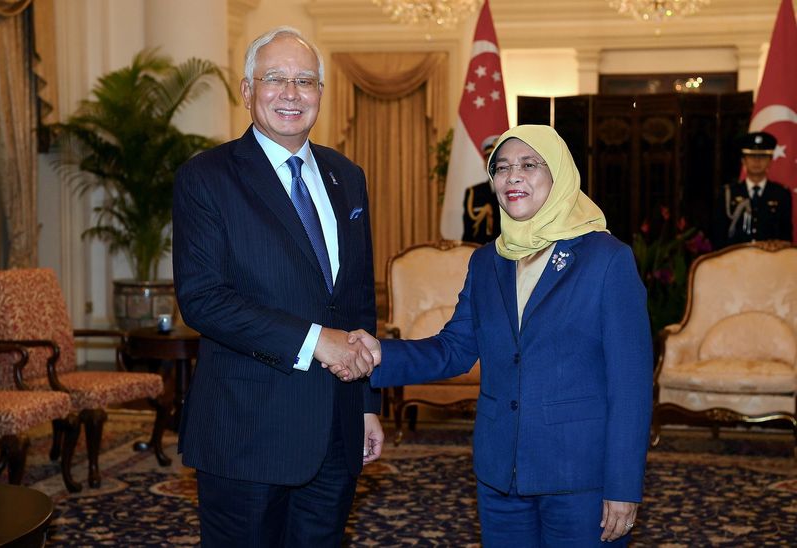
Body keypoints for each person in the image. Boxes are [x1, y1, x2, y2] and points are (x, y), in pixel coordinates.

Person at [336, 125, 653, 546]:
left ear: (559, 174)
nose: (512, 177)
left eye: (528, 165)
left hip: (581, 476)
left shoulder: (606, 259)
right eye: (501, 168)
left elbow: (630, 386)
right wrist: (378, 355)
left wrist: (623, 486)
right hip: (500, 474)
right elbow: (453, 349)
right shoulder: (487, 262)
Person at [172, 26, 383, 547]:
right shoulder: (207, 177)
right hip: (247, 434)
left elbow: (356, 298)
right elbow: (204, 299)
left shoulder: (347, 176)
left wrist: (367, 405)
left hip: (336, 428)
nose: (291, 93)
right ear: (247, 91)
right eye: (275, 79)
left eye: (305, 81)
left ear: (320, 95)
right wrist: (316, 341)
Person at [712, 131, 793, 248]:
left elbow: (786, 237)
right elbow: (718, 236)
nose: (757, 161)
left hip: (769, 261)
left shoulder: (781, 194)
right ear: (743, 161)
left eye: (762, 156)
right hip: (736, 262)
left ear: (770, 161)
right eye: (751, 156)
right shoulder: (728, 193)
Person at [462, 135, 502, 244]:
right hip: (479, 251)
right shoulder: (473, 193)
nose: (493, 163)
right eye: (488, 157)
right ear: (485, 162)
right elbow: (468, 233)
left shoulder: (514, 190)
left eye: (497, 158)